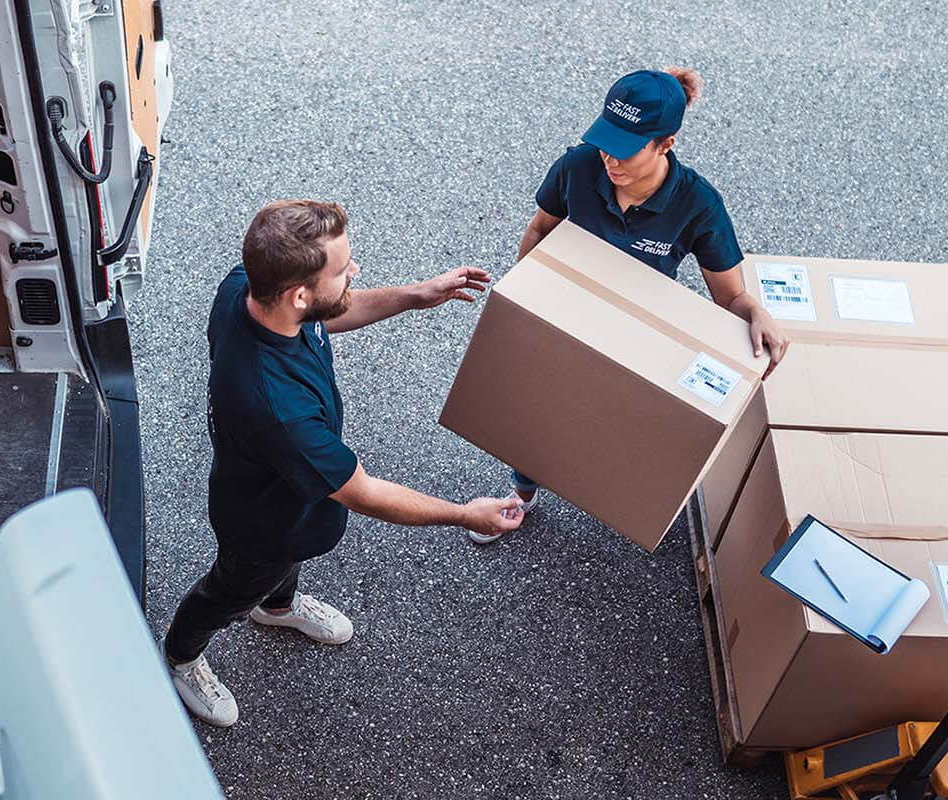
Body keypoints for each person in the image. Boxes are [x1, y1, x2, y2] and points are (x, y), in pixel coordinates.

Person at [164, 199, 525, 726]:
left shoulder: (247, 288)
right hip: (261, 523)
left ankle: (277, 608)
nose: (354, 271)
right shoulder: (281, 411)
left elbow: (330, 314)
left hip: (292, 499)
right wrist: (466, 515)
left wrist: (414, 294)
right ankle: (180, 655)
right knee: (232, 587)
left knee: (279, 569)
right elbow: (363, 493)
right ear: (300, 293)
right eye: (343, 269)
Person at [470, 66, 791, 546]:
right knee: (539, 411)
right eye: (606, 138)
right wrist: (525, 297)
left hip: (637, 332)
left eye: (627, 146)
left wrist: (757, 314)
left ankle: (617, 496)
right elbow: (540, 229)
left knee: (614, 421)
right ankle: (523, 490)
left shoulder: (698, 205)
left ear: (665, 144)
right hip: (567, 314)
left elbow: (730, 296)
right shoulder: (577, 167)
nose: (609, 157)